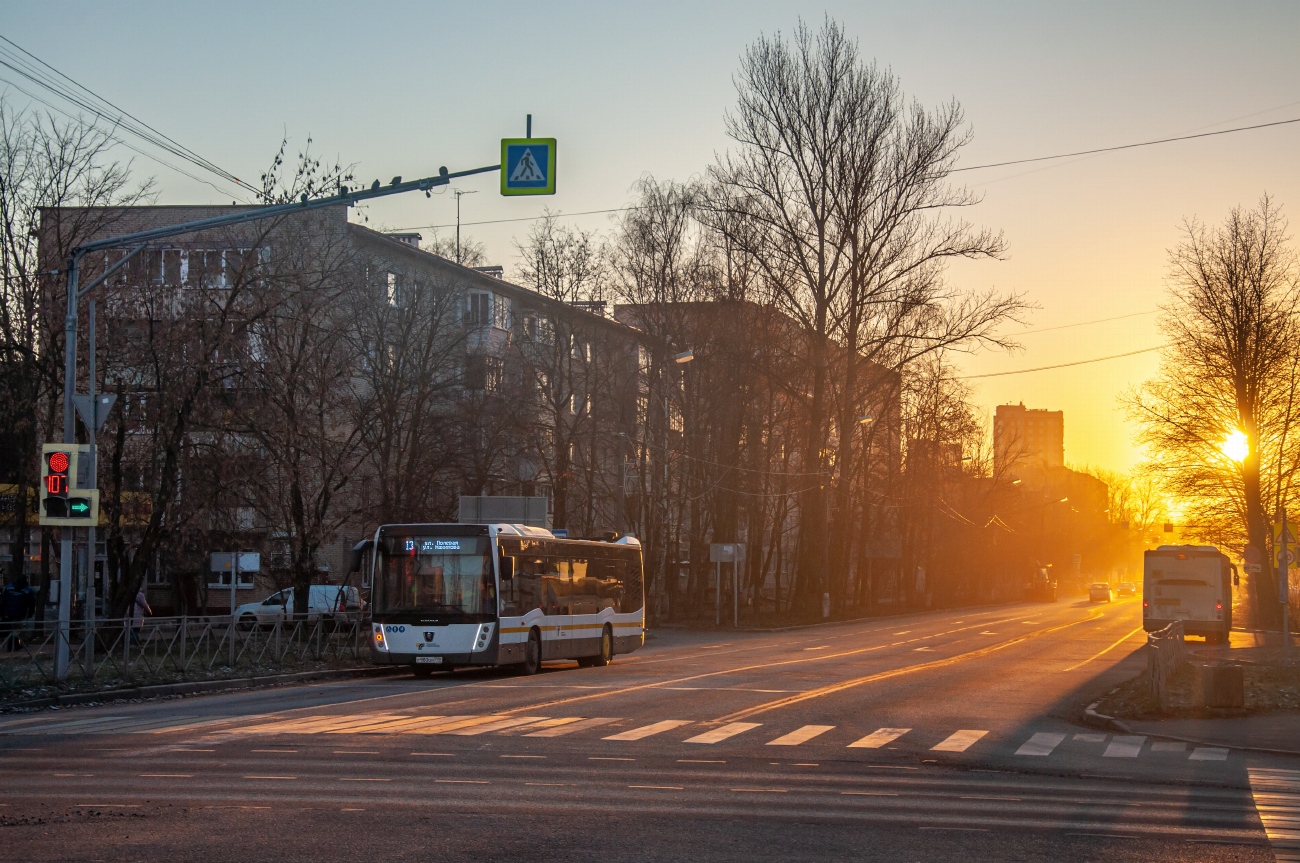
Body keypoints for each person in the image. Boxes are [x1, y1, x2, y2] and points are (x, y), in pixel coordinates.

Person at [1, 574, 36, 651]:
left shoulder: (8, 587)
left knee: (10, 629)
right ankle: (12, 646)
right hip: (19, 612)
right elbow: (31, 603)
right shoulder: (27, 589)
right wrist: (30, 613)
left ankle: (13, 645)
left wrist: (2, 612)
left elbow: (2, 600)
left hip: (7, 612)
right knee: (15, 629)